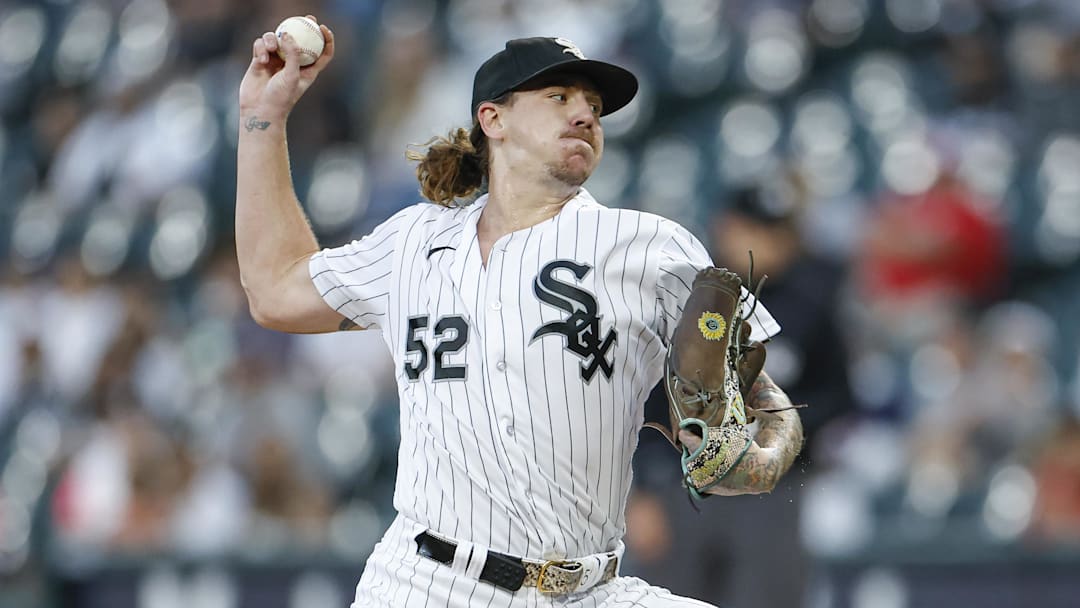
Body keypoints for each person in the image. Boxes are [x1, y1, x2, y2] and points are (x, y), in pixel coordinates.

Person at [236, 19, 804, 607]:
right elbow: (274, 291)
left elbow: (766, 401)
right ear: (494, 120)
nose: (584, 113)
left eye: (593, 105)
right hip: (428, 583)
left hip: (588, 589)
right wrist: (262, 120)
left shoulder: (649, 246)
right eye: (559, 97)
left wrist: (763, 455)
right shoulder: (413, 242)